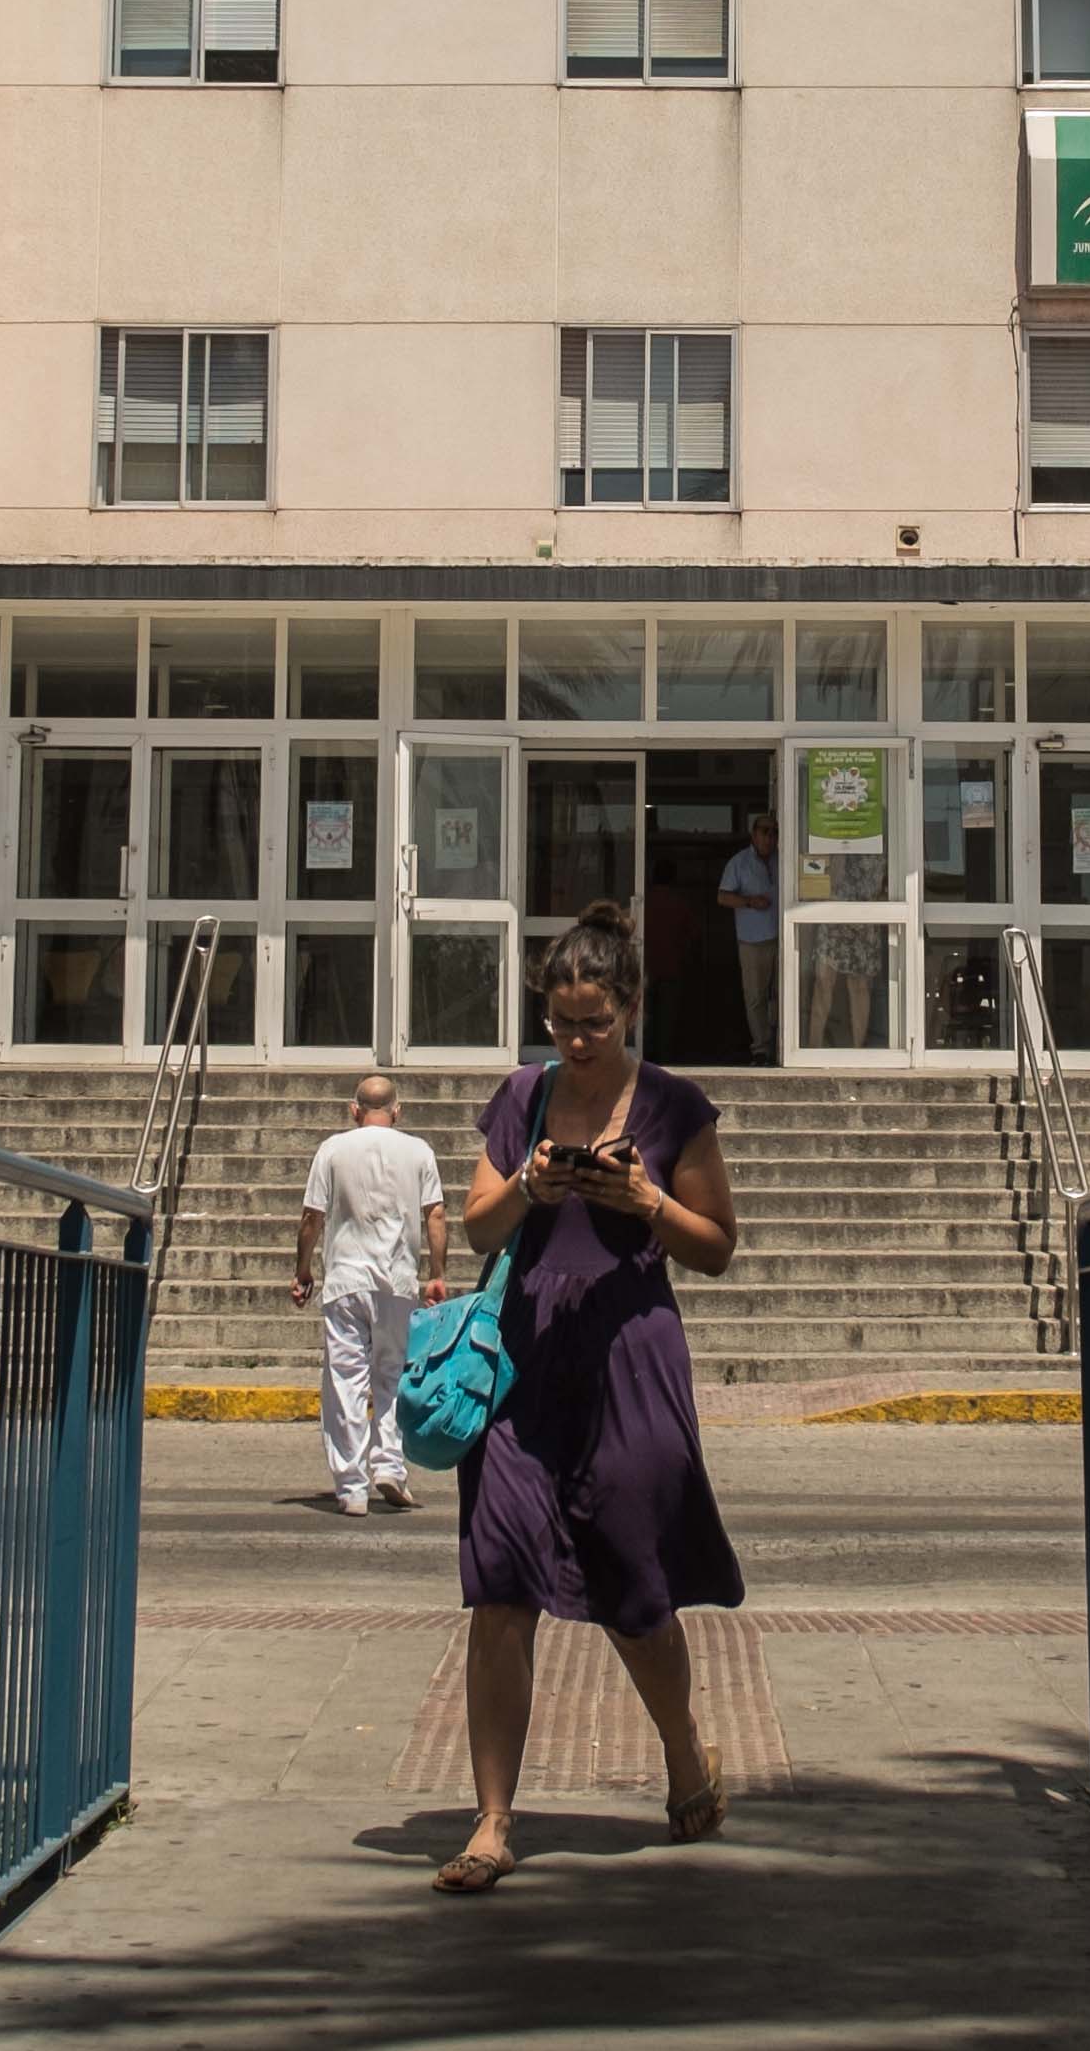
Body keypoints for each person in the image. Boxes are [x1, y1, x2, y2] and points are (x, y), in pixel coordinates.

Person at [437, 903, 743, 1893]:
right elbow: (480, 1229)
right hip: (521, 1360)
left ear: (631, 1007)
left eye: (593, 1023)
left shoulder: (671, 1104)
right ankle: (491, 1819)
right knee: (497, 1578)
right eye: (561, 1022)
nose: (574, 1041)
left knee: (632, 1575)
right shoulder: (521, 1095)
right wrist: (530, 1180)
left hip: (629, 1355)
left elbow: (717, 1245)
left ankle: (684, 1750)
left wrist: (644, 1199)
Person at [294, 1072, 448, 1516]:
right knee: (392, 1375)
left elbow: (311, 1215)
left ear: (354, 1110)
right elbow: (435, 1213)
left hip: (345, 1280)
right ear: (397, 1111)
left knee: (346, 1380)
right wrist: (436, 1273)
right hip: (397, 1280)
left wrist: (303, 1269)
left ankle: (352, 1486)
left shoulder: (333, 1149)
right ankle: (390, 1465)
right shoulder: (419, 1151)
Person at [716, 811, 781, 1060]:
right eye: (765, 831)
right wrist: (749, 901)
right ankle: (762, 1049)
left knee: (785, 994)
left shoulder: (782, 859)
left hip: (785, 937)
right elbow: (722, 897)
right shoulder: (739, 862)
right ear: (754, 835)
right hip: (753, 940)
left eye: (774, 832)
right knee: (756, 997)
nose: (770, 837)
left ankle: (784, 1046)